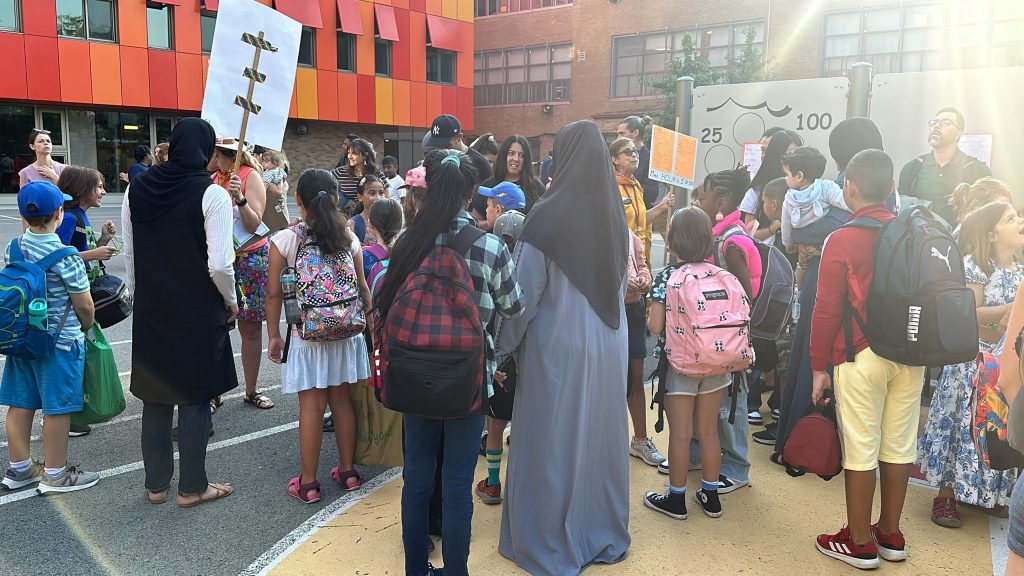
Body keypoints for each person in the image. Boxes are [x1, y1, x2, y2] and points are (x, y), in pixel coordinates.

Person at [374, 149, 523, 576]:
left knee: (417, 478)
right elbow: (515, 307)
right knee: (458, 483)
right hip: (468, 380)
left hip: (412, 375)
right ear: (471, 193)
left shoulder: (406, 242)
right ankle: (456, 570)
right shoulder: (490, 245)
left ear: (427, 188)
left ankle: (415, 570)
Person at [495, 120, 630, 575]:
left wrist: (503, 348)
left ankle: (549, 536)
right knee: (596, 438)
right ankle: (600, 530)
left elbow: (523, 298)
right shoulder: (616, 215)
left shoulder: (546, 216)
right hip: (608, 344)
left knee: (550, 441)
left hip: (559, 346)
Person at [810, 149, 923, 569]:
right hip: (911, 354)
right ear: (892, 187)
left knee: (861, 446)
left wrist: (818, 365)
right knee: (897, 445)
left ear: (850, 187)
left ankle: (858, 542)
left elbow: (826, 309)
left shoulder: (841, 238)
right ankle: (890, 535)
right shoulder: (912, 232)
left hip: (861, 354)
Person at [121, 118, 238, 507]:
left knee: (155, 396)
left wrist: (140, 296)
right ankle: (193, 487)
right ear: (205, 150)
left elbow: (130, 251)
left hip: (153, 306)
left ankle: (156, 486)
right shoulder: (213, 194)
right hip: (197, 307)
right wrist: (232, 301)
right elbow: (220, 265)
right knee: (194, 395)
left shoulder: (136, 188)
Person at [917, 199, 1024, 527]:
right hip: (971, 363)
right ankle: (946, 495)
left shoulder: (1019, 269)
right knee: (961, 427)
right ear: (992, 235)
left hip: (1003, 360)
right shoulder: (976, 267)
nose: (1020, 221)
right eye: (1011, 218)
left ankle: (984, 493)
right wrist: (1008, 309)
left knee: (993, 427)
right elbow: (970, 313)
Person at [266, 169, 371, 503]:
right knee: (342, 400)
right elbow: (363, 288)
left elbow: (272, 295)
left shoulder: (286, 240)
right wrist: (369, 324)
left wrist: (274, 336)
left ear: (298, 200)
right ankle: (348, 471)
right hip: (346, 330)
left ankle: (308, 484)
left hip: (308, 332)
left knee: (311, 406)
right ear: (337, 196)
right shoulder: (350, 238)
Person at [0, 181, 98, 493]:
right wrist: (87, 326)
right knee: (57, 407)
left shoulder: (13, 248)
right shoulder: (66, 255)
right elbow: (84, 304)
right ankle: (56, 475)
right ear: (59, 213)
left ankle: (19, 469)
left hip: (19, 339)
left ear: (22, 214)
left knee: (20, 403)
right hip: (58, 344)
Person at [673, 168, 760, 494]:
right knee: (707, 403)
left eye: (702, 197)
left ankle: (736, 466)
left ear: (721, 201)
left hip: (727, 343)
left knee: (730, 404)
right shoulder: (714, 236)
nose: (697, 201)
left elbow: (744, 297)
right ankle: (695, 455)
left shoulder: (730, 241)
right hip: (706, 343)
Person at [645, 207, 733, 520]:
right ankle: (710, 496)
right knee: (708, 432)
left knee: (681, 435)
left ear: (672, 241)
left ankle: (676, 499)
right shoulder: (719, 275)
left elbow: (655, 327)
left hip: (680, 368)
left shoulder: (667, 277)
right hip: (717, 362)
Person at [209, 136, 274, 411]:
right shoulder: (212, 179)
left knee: (249, 328)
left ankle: (251, 389)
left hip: (250, 259)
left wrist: (240, 198)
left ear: (219, 153)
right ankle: (214, 390)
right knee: (216, 326)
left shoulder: (250, 176)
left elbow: (254, 223)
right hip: (220, 258)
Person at [474, 207, 527, 506]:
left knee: (495, 425)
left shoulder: (490, 268)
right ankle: (520, 483)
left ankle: (493, 483)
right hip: (525, 361)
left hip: (499, 364)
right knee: (522, 425)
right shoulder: (528, 272)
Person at [898, 106, 991, 226]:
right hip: (920, 241)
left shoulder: (977, 170)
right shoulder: (912, 169)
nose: (936, 126)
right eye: (934, 122)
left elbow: (990, 215)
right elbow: (902, 214)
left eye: (946, 123)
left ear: (958, 133)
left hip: (960, 243)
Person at [780, 146, 850, 289]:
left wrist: (788, 243)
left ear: (799, 176)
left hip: (803, 246)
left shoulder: (789, 198)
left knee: (801, 270)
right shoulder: (826, 187)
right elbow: (845, 202)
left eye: (786, 174)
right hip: (824, 245)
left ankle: (798, 299)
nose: (785, 178)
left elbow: (785, 224)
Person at [610, 137, 674, 267]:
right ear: (615, 159)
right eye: (628, 152)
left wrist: (662, 206)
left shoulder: (636, 185)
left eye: (635, 151)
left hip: (642, 261)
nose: (634, 155)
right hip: (622, 263)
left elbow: (641, 220)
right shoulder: (609, 186)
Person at [425, 115, 494, 225]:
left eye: (447, 145)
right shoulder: (436, 159)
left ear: (459, 137)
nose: (442, 149)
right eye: (437, 146)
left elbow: (488, 202)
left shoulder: (480, 163)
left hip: (470, 226)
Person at [743, 129, 803, 241]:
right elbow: (748, 236)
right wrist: (775, 226)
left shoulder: (804, 186)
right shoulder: (756, 191)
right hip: (767, 255)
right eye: (788, 155)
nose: (794, 160)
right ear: (776, 156)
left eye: (797, 155)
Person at [473, 135, 542, 229]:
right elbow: (474, 224)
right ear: (503, 156)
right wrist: (494, 222)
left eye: (521, 155)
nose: (516, 159)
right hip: (491, 242)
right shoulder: (488, 187)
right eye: (511, 153)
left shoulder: (536, 188)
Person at [332, 138, 386, 215]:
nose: (350, 156)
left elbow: (386, 199)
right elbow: (324, 181)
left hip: (371, 215)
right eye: (348, 153)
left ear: (365, 155)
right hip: (343, 217)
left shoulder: (377, 174)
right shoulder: (341, 172)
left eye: (354, 153)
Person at [617, 115, 659, 209]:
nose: (618, 138)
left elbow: (652, 192)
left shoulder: (649, 158)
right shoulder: (615, 156)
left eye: (622, 133)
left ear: (635, 133)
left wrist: (627, 185)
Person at [350, 175, 386, 245]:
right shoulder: (353, 224)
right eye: (372, 193)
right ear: (360, 197)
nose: (378, 198)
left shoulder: (390, 220)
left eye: (381, 193)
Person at [261, 149, 291, 223]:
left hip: (275, 205)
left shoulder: (270, 174)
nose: (263, 163)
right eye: (263, 161)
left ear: (275, 163)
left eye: (266, 161)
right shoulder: (280, 171)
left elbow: (278, 191)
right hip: (279, 205)